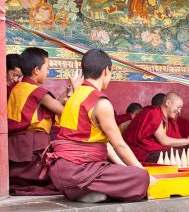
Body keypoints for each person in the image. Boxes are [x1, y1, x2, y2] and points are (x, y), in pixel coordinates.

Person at [42, 49, 150, 202]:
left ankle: (79, 191)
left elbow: (107, 146)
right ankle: (87, 189)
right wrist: (144, 173)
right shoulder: (100, 103)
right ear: (106, 71)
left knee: (125, 171)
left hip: (60, 171)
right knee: (140, 177)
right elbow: (119, 145)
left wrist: (127, 167)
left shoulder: (74, 97)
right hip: (80, 170)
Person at [7, 47, 72, 195]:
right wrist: (77, 90)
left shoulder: (18, 88)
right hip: (33, 144)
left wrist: (63, 96)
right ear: (37, 70)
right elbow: (64, 111)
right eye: (47, 68)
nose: (48, 72)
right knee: (59, 177)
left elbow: (45, 106)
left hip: (16, 144)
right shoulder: (37, 91)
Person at [123, 92, 189, 162]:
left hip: (154, 150)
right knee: (178, 154)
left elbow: (177, 141)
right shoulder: (153, 113)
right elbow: (164, 141)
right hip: (141, 152)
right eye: (178, 107)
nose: (179, 111)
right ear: (168, 103)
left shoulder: (169, 121)